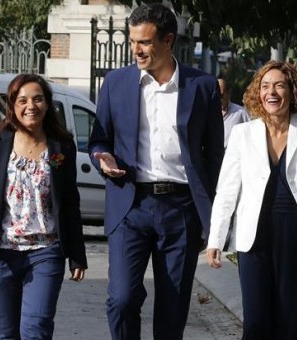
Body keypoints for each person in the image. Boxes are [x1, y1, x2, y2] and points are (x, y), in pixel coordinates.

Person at [88, 3, 224, 339]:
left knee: (173, 307)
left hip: (181, 209)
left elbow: (214, 157)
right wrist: (102, 157)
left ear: (168, 40)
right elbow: (99, 139)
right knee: (121, 299)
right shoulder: (116, 83)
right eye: (133, 41)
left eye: (145, 42)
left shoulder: (202, 86)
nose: (136, 49)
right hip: (130, 205)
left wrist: (213, 215)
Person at [205, 60, 297, 339]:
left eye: (280, 85)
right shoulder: (242, 134)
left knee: (293, 321)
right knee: (256, 322)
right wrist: (215, 239)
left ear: (292, 92)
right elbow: (227, 191)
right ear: (258, 94)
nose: (272, 92)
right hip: (253, 239)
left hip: (295, 237)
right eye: (266, 86)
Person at [0, 74, 88, 340]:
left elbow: (69, 201)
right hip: (1, 255)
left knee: (35, 329)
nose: (30, 106)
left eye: (37, 99)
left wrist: (77, 254)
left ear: (47, 104)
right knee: (7, 333)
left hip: (46, 252)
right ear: (12, 106)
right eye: (22, 100)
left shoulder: (59, 148)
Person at [217, 75, 250, 147]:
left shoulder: (241, 113)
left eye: (221, 95)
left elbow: (251, 134)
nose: (219, 99)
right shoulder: (206, 114)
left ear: (228, 93)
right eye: (216, 95)